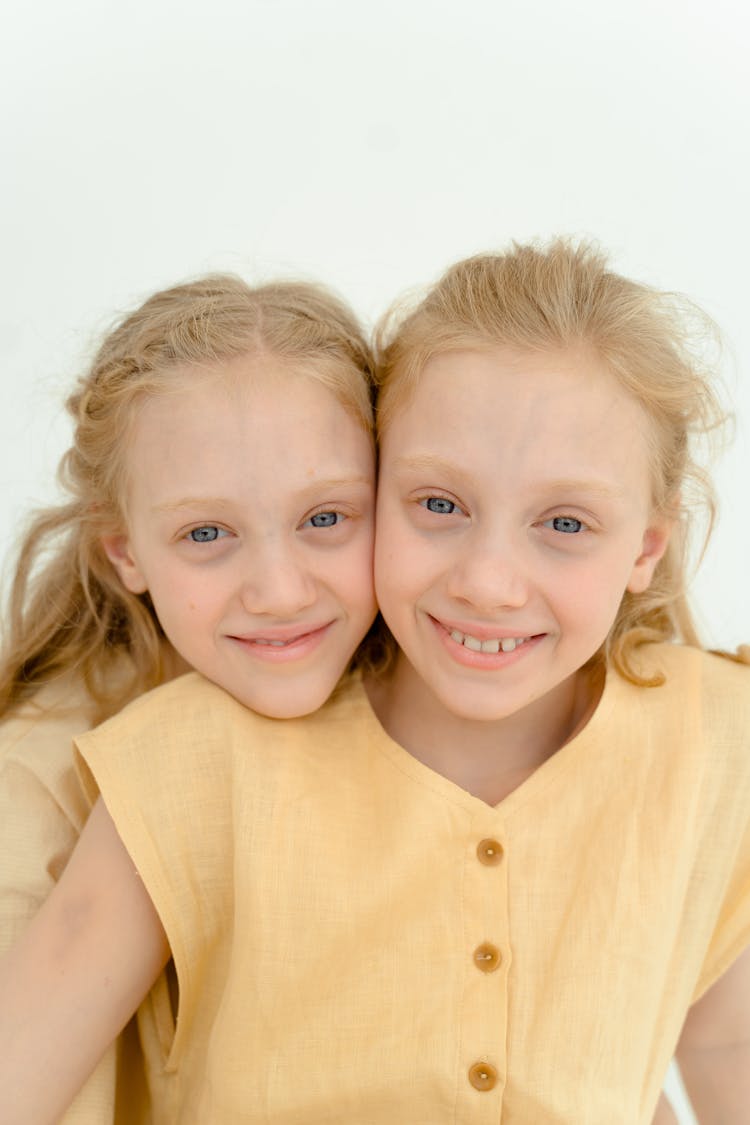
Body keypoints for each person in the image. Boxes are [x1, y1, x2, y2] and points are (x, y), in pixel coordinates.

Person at [1, 240, 748, 1124]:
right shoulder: (192, 751)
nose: (488, 581)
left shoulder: (713, 743)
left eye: (565, 520)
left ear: (646, 548)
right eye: (439, 505)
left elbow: (716, 1044)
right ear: (381, 478)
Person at [0, 273, 377, 1123]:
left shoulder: (410, 709)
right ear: (124, 550)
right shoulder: (36, 787)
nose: (279, 590)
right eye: (206, 534)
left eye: (326, 518)